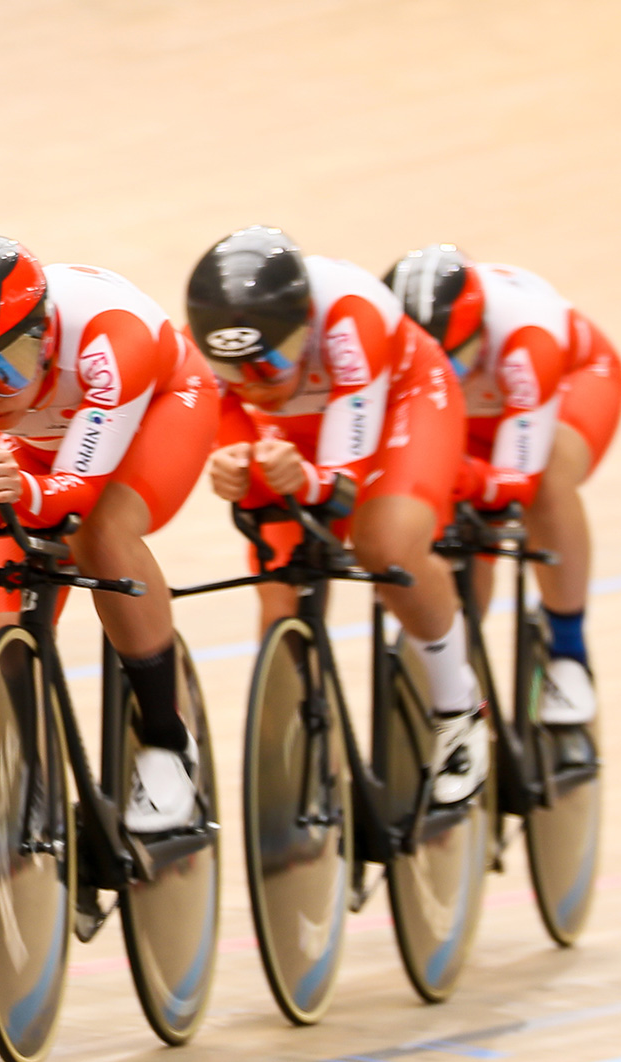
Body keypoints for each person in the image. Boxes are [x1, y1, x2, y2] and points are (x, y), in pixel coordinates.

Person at [0, 234, 215, 836]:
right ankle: (34, 760)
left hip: (159, 409)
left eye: (2, 366)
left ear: (44, 338)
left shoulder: (113, 339)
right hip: (45, 437)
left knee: (101, 534)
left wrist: (21, 487)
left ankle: (167, 738)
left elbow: (76, 495)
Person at [188, 226, 485, 803]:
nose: (256, 384)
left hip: (403, 399)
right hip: (304, 425)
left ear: (305, 329)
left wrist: (305, 478)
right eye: (237, 372)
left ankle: (458, 706)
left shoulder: (352, 318)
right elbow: (229, 431)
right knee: (279, 580)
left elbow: (343, 485)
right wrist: (235, 466)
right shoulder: (206, 351)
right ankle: (302, 742)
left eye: (272, 362)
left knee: (386, 547)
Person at [385, 245, 621, 725]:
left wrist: (475, 480)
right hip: (465, 412)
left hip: (569, 385)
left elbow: (516, 480)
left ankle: (569, 652)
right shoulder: (385, 337)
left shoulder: (527, 333)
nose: (448, 374)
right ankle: (457, 675)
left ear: (481, 332)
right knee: (449, 534)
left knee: (547, 480)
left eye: (455, 360)